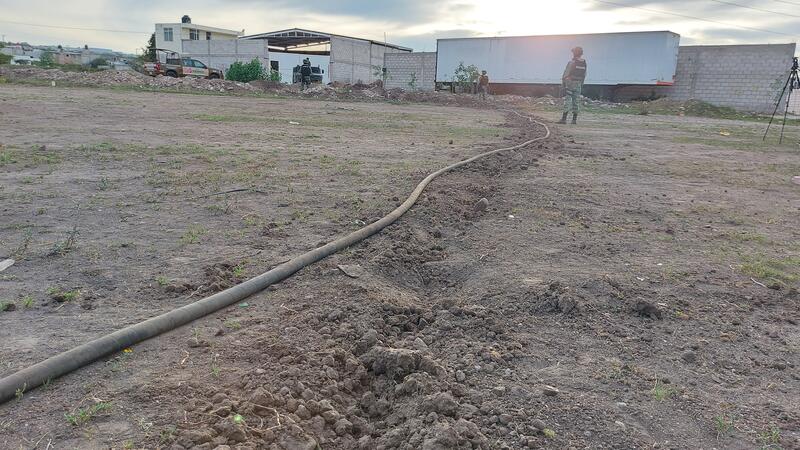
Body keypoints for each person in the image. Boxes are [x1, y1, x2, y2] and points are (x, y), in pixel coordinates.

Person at [558, 47, 587, 125]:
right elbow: (584, 75)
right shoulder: (584, 62)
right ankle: (574, 120)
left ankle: (564, 119)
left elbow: (566, 74)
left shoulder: (572, 62)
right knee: (576, 101)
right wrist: (581, 84)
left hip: (570, 83)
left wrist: (563, 84)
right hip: (578, 84)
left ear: (574, 53)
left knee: (568, 100)